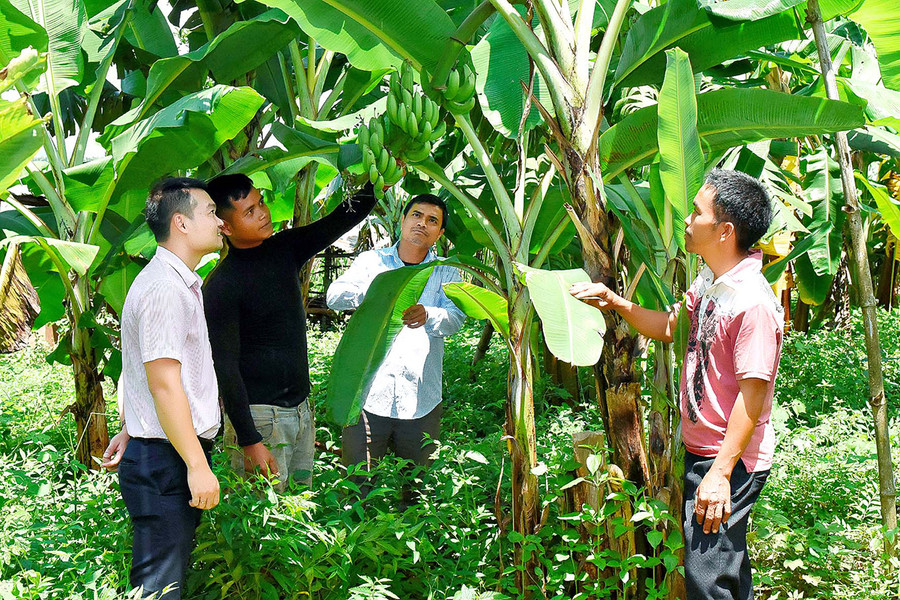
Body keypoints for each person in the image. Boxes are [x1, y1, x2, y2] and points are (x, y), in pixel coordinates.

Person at [570, 170, 782, 600]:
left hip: (730, 459)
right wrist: (616, 302)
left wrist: (721, 474)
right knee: (726, 568)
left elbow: (753, 395)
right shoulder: (711, 282)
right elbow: (671, 327)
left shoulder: (752, 301)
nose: (686, 219)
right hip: (706, 451)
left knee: (707, 578)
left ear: (724, 231)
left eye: (696, 212)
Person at [202, 174, 378, 490]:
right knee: (261, 520)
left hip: (300, 411)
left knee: (296, 513)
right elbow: (226, 369)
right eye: (250, 212)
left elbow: (337, 221)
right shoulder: (221, 286)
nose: (264, 213)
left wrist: (379, 185)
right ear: (225, 227)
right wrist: (249, 439)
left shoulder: (283, 248)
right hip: (261, 420)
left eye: (261, 202)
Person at [102, 178, 224, 599]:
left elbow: (140, 368)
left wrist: (130, 426)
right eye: (210, 212)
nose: (220, 220)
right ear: (181, 223)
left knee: (164, 580)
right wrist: (196, 466)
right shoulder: (164, 289)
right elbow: (164, 384)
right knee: (159, 588)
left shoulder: (177, 283)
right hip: (167, 458)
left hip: (163, 448)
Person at [326, 194, 465, 488]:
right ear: (402, 221)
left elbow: (456, 319)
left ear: (439, 234)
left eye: (432, 221)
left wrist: (429, 314)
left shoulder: (445, 270)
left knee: (417, 489)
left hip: (421, 399)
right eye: (416, 215)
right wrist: (379, 294)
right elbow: (334, 296)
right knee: (357, 486)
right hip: (366, 394)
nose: (422, 224)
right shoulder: (371, 261)